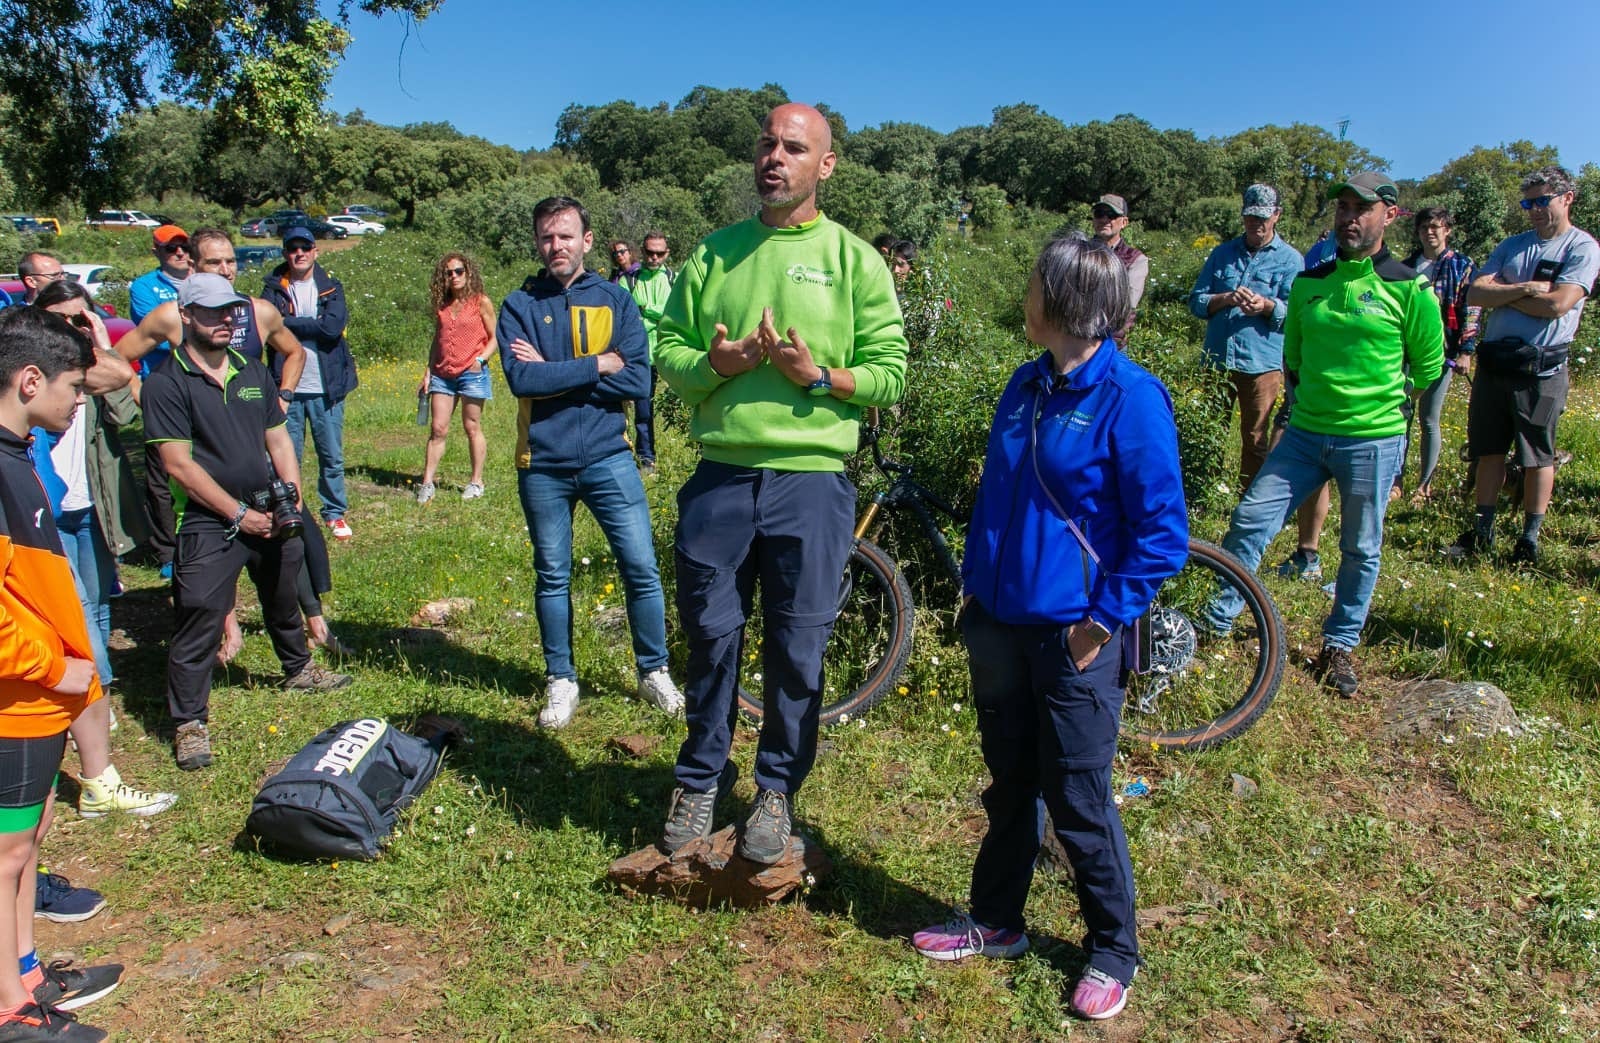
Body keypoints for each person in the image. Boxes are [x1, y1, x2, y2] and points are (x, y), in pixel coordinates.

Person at [911, 233, 1187, 1023]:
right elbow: (1000, 499)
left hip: (1074, 636)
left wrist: (1099, 625)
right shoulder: (1025, 383)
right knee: (1011, 785)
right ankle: (997, 920)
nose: (1022, 291)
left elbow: (1161, 533)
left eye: (1032, 281)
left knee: (1078, 794)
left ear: (1065, 301)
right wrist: (975, 597)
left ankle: (1112, 947)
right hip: (998, 627)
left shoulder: (1130, 399)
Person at [653, 103, 908, 864]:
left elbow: (891, 374)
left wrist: (821, 377)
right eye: (767, 144)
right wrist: (716, 366)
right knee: (709, 636)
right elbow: (666, 345)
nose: (775, 157)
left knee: (798, 647)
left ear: (824, 165)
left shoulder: (853, 260)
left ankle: (775, 791)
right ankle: (701, 777)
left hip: (813, 483)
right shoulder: (715, 254)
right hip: (720, 477)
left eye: (794, 147)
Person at [1202, 172, 1443, 698]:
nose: (1349, 217)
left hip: (1372, 439)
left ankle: (1340, 642)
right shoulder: (1311, 281)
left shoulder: (1410, 287)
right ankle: (1216, 621)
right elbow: (1293, 356)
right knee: (1250, 518)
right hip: (1306, 432)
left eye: (1363, 208)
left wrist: (1380, 404)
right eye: (1343, 208)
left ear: (1390, 216)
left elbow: (1427, 365)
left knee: (1360, 546)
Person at [141, 274, 351, 771]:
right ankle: (190, 722)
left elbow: (278, 437)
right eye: (212, 312)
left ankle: (298, 668)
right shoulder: (166, 385)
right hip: (209, 519)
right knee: (199, 614)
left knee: (283, 591)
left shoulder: (252, 370)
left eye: (231, 311)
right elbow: (179, 466)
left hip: (268, 505)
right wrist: (238, 515)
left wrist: (291, 494)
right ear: (185, 315)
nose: (225, 320)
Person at [496, 197, 683, 729]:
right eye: (547, 237)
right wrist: (598, 364)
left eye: (565, 236)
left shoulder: (614, 299)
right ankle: (561, 679)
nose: (556, 246)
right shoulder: (519, 305)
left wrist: (559, 370)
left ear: (587, 240)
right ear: (537, 242)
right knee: (551, 575)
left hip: (608, 456)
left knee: (642, 569)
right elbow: (521, 380)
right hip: (543, 463)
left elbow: (636, 380)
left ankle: (654, 671)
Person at [0, 305, 127, 1041]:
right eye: (74, 387)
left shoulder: (21, 454)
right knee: (7, 852)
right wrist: (58, 666)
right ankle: (10, 1010)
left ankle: (26, 971)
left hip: (43, 700)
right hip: (18, 700)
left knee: (28, 841)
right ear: (28, 380)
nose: (82, 401)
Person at [29, 281, 177, 818]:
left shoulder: (79, 369)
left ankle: (94, 721)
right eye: (61, 319)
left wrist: (95, 340)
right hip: (44, 515)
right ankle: (94, 703)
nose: (73, 328)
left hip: (86, 503)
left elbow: (127, 404)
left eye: (81, 317)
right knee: (72, 621)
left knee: (95, 604)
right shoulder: (38, 375)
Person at [1452, 166, 1598, 564]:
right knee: (1488, 451)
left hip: (1541, 368)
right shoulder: (1513, 245)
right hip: (1495, 363)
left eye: (1541, 201)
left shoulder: (1580, 247)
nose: (1533, 210)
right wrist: (1526, 289)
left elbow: (1558, 304)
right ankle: (1483, 531)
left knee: (1537, 455)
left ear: (1567, 198)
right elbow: (1476, 292)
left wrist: (1503, 294)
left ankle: (1528, 538)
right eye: (1527, 203)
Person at [1188, 184, 1304, 492]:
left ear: (1277, 216)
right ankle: (1202, 491)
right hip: (1217, 359)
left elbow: (1296, 313)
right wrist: (1224, 298)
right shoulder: (1222, 254)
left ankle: (1248, 497)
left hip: (1261, 363)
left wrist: (1266, 306)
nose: (1257, 223)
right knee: (1208, 428)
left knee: (1255, 436)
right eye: (1251, 217)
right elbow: (1196, 301)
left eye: (1263, 217)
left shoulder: (1291, 260)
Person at [262, 228, 358, 542]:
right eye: (293, 249)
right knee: (287, 456)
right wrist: (309, 324)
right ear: (286, 254)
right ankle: (291, 511)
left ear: (315, 251)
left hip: (326, 387)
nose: (299, 253)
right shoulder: (273, 288)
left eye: (305, 248)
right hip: (286, 388)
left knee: (331, 455)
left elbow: (332, 329)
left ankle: (334, 513)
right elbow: (266, 325)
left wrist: (286, 323)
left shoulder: (331, 287)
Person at [1402, 207, 1481, 503]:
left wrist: (1466, 350)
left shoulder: (1461, 265)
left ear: (1447, 230)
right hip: (1404, 353)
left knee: (1429, 419)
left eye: (1436, 227)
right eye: (1424, 227)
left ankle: (1424, 485)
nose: (1430, 232)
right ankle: (1395, 481)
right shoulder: (1406, 266)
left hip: (1442, 353)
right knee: (1400, 415)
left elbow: (1471, 309)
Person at [417, 252, 495, 503]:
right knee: (438, 428)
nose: (454, 276)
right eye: (449, 273)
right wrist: (428, 371)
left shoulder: (481, 301)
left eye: (459, 271)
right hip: (442, 373)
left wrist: (480, 360)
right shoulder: (442, 305)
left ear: (468, 272)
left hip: (472, 373)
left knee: (471, 427)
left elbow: (497, 337)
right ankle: (427, 483)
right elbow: (437, 341)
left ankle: (476, 481)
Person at [617, 233, 674, 474]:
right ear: (643, 251)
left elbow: (673, 314)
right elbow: (624, 315)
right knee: (643, 410)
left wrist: (646, 310)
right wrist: (657, 314)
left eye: (659, 253)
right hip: (639, 355)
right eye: (650, 252)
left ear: (667, 253)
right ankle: (646, 458)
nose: (654, 257)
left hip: (668, 352)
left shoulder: (674, 280)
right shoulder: (629, 281)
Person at [1091, 194, 1148, 345]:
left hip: (1113, 343)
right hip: (1075, 341)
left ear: (1124, 222)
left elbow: (1126, 302)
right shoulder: (1078, 253)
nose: (1104, 219)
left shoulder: (1136, 259)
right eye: (1099, 214)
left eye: (1111, 215)